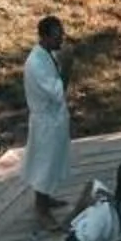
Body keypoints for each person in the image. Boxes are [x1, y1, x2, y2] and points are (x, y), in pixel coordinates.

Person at [21, 14, 71, 225]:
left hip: (54, 118)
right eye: (57, 36)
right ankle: (41, 210)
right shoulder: (36, 64)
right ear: (44, 37)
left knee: (52, 163)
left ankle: (46, 199)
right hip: (45, 122)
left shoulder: (47, 54)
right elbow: (57, 92)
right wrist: (68, 67)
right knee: (44, 165)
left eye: (62, 34)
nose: (61, 40)